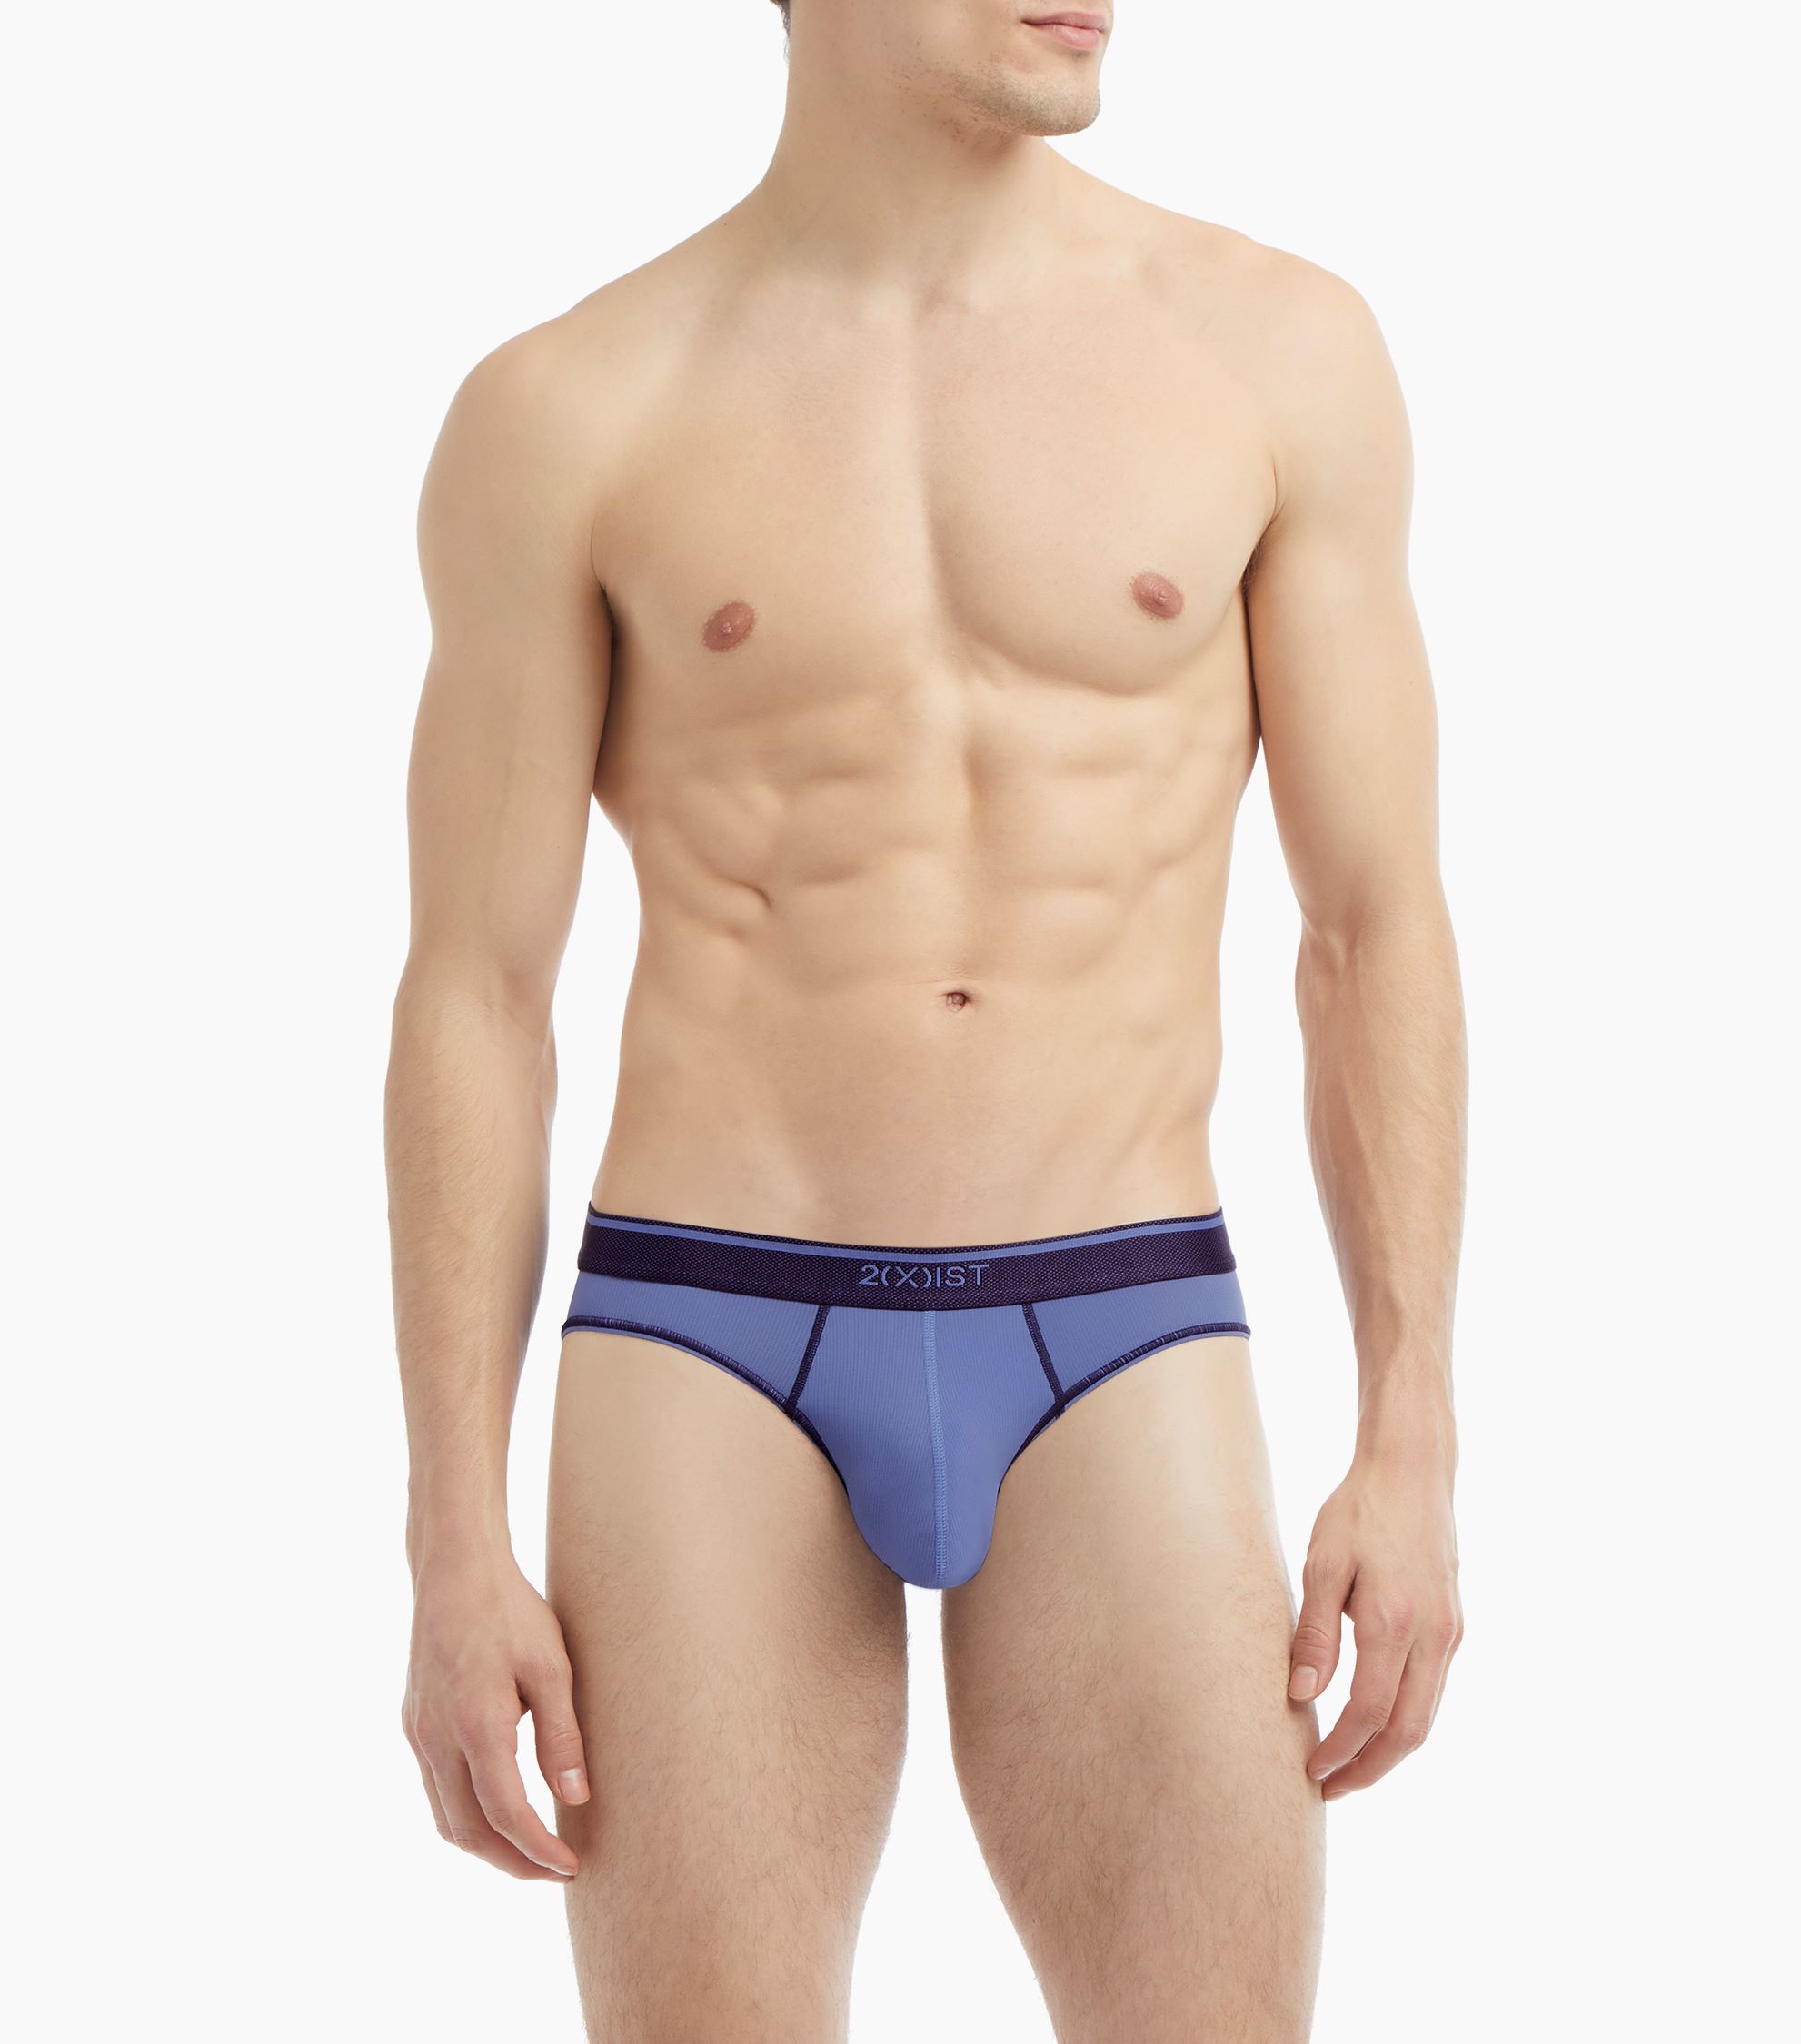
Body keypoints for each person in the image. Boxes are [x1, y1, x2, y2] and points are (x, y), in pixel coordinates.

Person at [386, 3, 1466, 2036]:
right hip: (709, 1330)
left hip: (1121, 1308)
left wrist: (1408, 1434)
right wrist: (454, 1537)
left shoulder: (1273, 354)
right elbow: (477, 990)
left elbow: (1371, 925)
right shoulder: (572, 407)